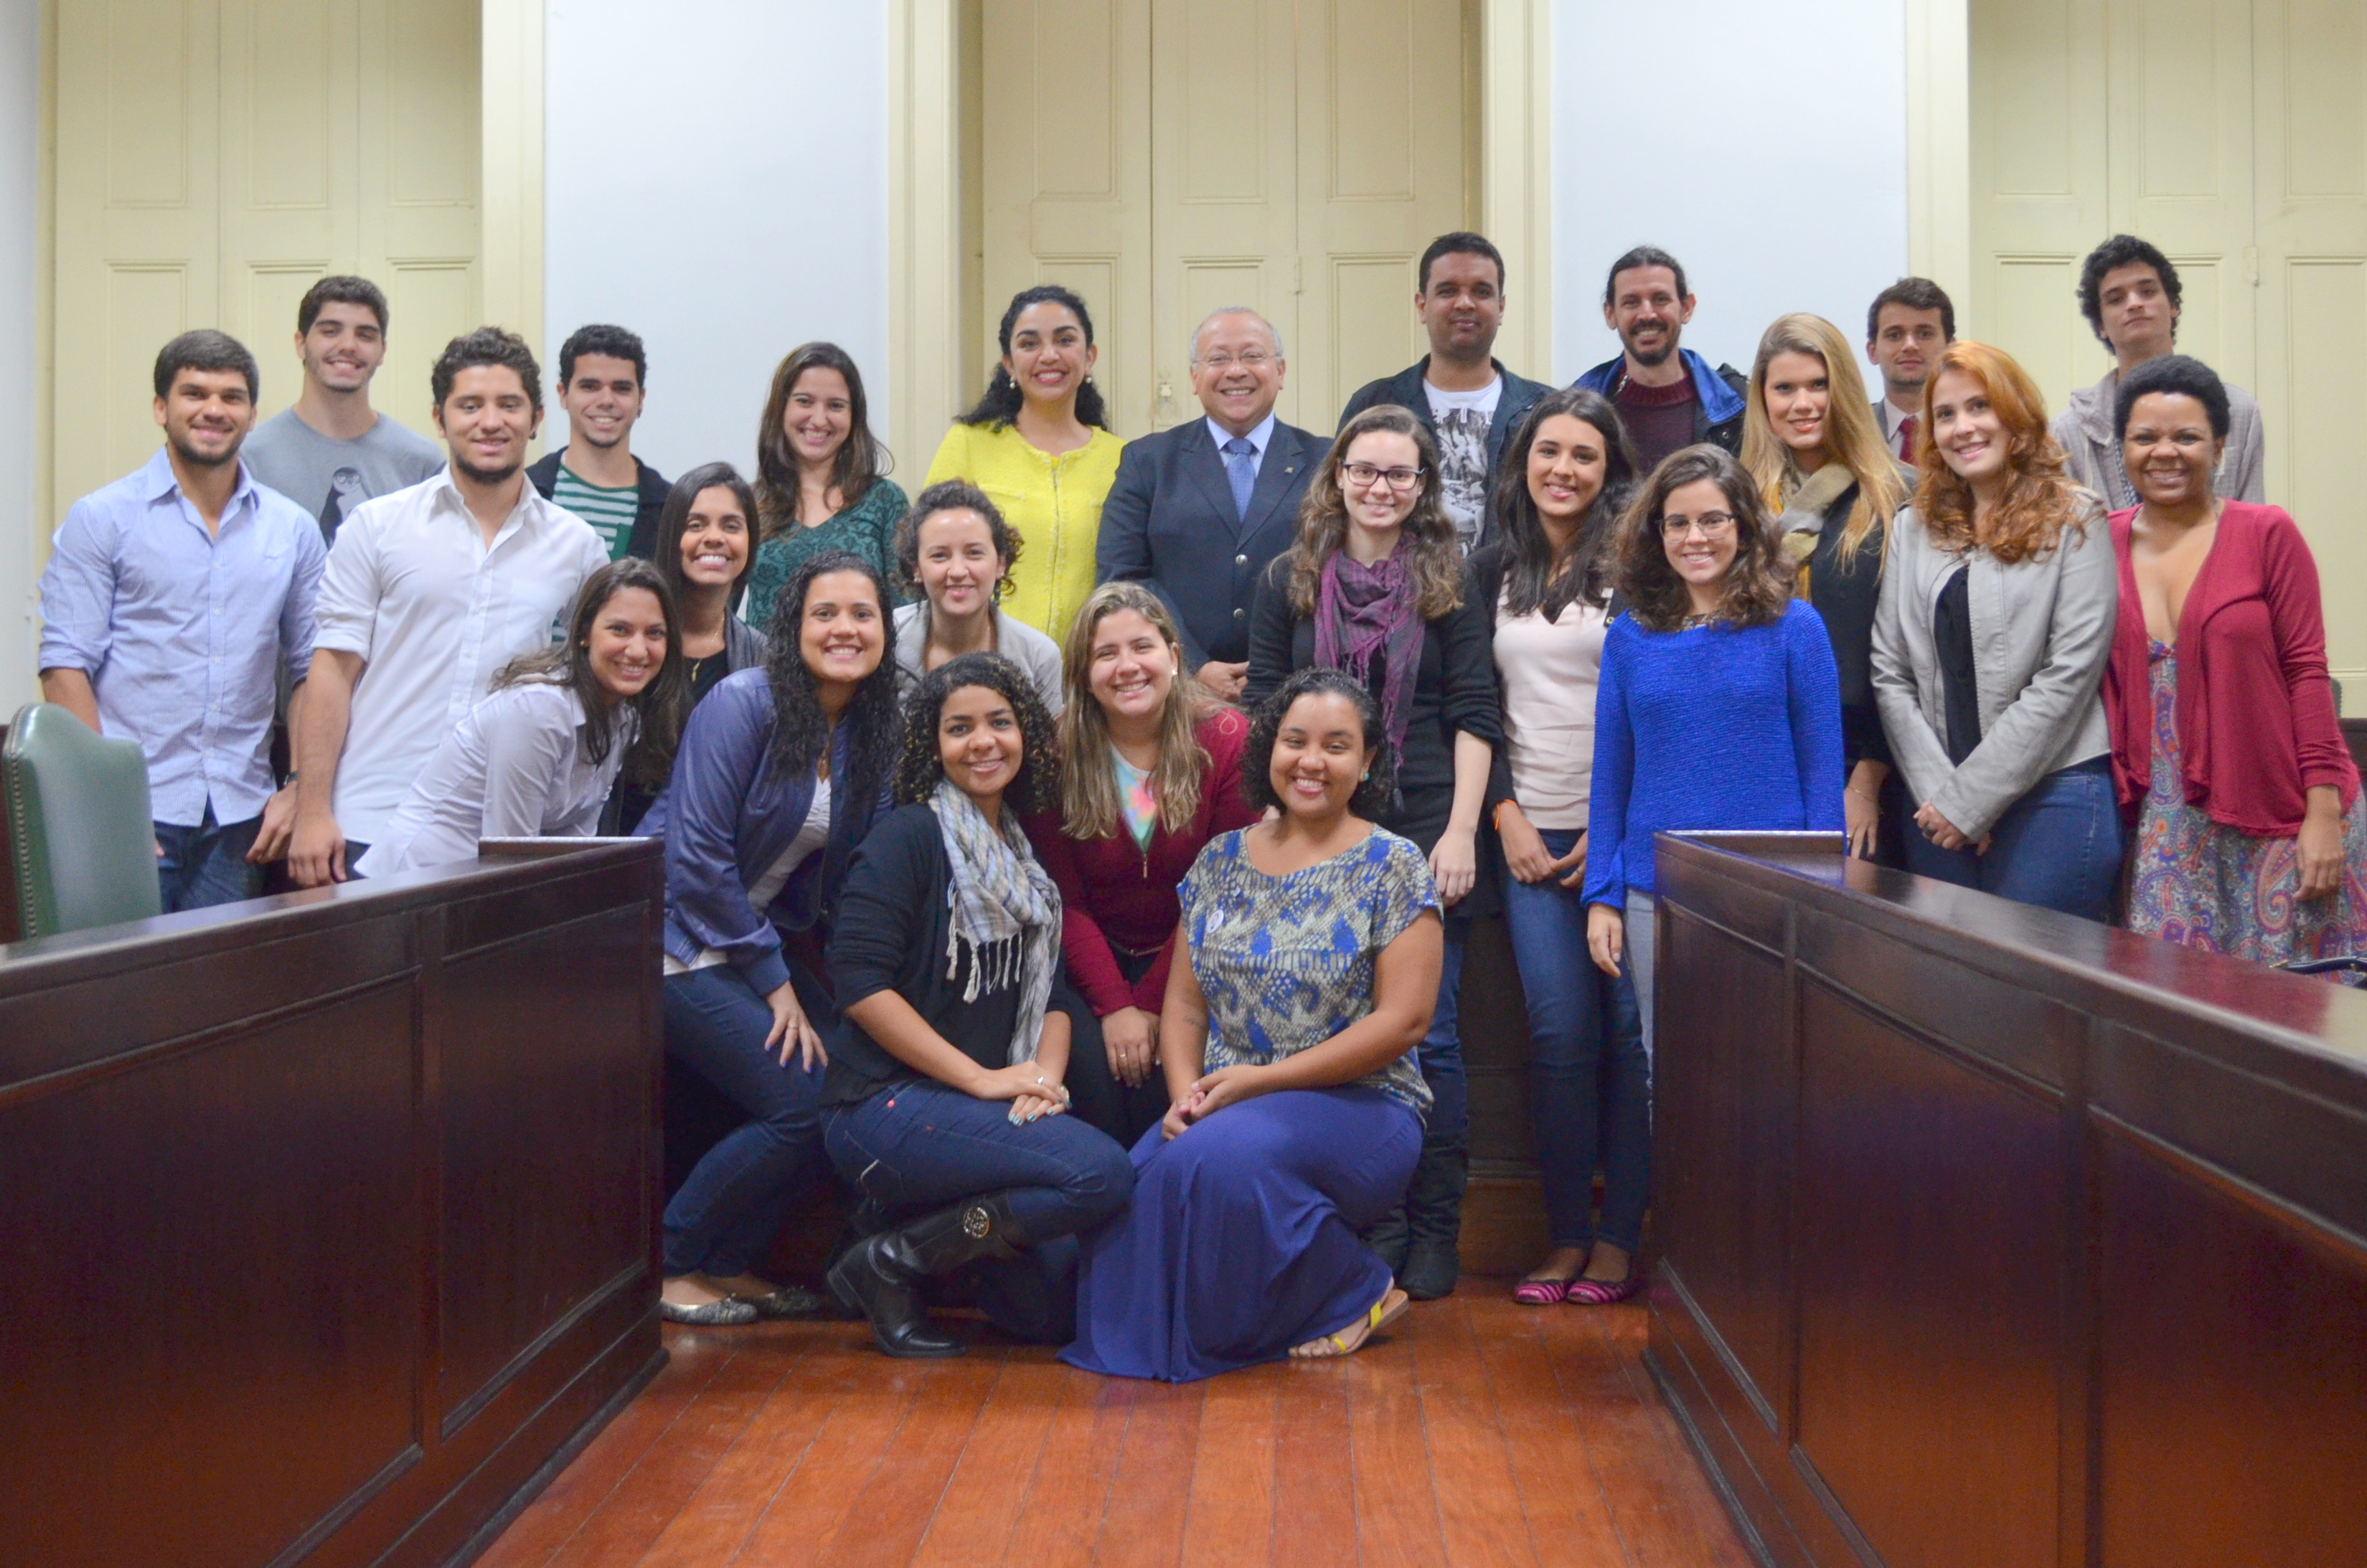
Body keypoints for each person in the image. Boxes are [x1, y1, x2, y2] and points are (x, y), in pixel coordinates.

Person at [1062, 669, 1441, 1381]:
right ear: (1269, 749)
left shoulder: (1394, 864)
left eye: (1336, 746)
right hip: (1228, 1102)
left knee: (1213, 1163)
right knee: (1131, 1186)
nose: (1310, 761)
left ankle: (1354, 1286)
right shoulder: (1220, 859)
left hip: (1364, 1105)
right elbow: (1183, 1005)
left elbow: (1404, 1021)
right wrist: (1186, 1095)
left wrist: (1256, 1084)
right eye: (1295, 741)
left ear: (1366, 763)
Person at [1243, 405, 1502, 1302]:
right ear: (1338, 476)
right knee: (1328, 1030)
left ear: (1422, 485)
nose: (1380, 487)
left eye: (1399, 473)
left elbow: (1473, 710)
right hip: (1313, 826)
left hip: (1423, 825)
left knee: (1429, 1034)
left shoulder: (1448, 578)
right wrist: (1276, 830)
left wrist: (1461, 829)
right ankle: (1365, 1221)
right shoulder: (1288, 576)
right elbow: (1268, 712)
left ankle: (1432, 1225)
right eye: (1364, 470)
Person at [821, 653, 1133, 1359]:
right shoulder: (907, 837)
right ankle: (894, 1259)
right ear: (932, 746)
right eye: (958, 728)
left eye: (999, 722)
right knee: (1101, 1173)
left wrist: (1041, 1079)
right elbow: (860, 986)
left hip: (977, 1110)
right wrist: (982, 1079)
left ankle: (912, 1235)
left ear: (1024, 735)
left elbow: (1052, 993)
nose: (982, 741)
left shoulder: (1019, 852)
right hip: (882, 1106)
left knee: (1049, 1312)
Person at [641, 550, 905, 1326]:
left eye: (862, 614)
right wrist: (774, 981)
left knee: (849, 1091)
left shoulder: (869, 730)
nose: (844, 629)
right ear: (791, 628)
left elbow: (860, 873)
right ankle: (670, 1261)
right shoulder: (742, 702)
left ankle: (729, 1262)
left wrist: (866, 987)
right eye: (825, 613)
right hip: (665, 935)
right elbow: (692, 860)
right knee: (801, 1098)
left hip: (751, 941)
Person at [283, 328, 608, 884]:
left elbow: (596, 680)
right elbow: (332, 670)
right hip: (371, 817)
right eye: (470, 405)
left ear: (535, 419)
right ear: (440, 419)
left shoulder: (576, 546)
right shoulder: (376, 526)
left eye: (509, 405)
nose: (490, 422)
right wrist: (312, 810)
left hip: (494, 826)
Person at [1466, 387, 1651, 1307]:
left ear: (1610, 471)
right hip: (1528, 839)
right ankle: (1566, 1233)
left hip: (1621, 833)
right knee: (1557, 1033)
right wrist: (1502, 812)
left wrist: (1611, 830)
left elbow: (1652, 711)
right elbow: (1474, 705)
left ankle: (1619, 1239)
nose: (1563, 469)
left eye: (1584, 455)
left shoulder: (1639, 568)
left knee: (1631, 1037)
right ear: (1523, 461)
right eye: (1548, 451)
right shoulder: (1489, 568)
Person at [36, 329, 326, 912]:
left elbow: (311, 668)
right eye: (194, 393)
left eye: (232, 397)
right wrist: (109, 807)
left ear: (251, 415)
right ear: (160, 408)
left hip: (242, 817)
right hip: (135, 810)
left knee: (223, 972)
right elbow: (64, 665)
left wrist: (300, 786)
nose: (214, 410)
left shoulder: (292, 529)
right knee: (122, 969)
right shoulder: (103, 518)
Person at [1584, 445, 1845, 1085]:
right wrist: (1602, 896)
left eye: (1712, 520)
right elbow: (1610, 779)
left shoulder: (1795, 627)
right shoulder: (1629, 636)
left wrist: (1824, 894)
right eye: (1677, 522)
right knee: (1671, 1077)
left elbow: (1821, 771)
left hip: (1772, 891)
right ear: (1656, 532)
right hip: (1654, 892)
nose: (1694, 537)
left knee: (1770, 1074)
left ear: (1744, 526)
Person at [2099, 354, 2366, 963]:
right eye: (2145, 437)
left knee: (2296, 1005)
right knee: (2176, 1001)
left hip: (2277, 811)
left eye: (2186, 437)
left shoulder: (2266, 533)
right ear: (2122, 449)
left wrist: (2321, 813)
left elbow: (2306, 673)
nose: (2164, 452)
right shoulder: (2096, 541)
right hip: (2163, 826)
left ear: (2219, 447)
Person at [1873, 342, 2121, 920]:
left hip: (2053, 797)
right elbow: (1889, 672)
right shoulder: (1911, 527)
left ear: (2014, 413)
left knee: (2025, 976)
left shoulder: (2076, 517)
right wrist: (1944, 798)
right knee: (1945, 976)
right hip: (1934, 805)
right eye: (1945, 414)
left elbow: (2068, 675)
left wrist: (1972, 801)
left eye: (1979, 406)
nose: (1962, 427)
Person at [1023, 582, 1260, 1146]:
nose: (1127, 667)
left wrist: (1152, 1005)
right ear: (1083, 674)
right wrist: (1115, 1007)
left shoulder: (1227, 739)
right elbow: (1063, 898)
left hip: (1197, 957)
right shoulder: (1054, 753)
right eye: (1105, 654)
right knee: (1094, 1084)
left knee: (1164, 1089)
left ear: (1174, 657)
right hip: (1089, 961)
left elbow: (1218, 893)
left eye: (1142, 647)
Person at [354, 559, 683, 875]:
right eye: (620, 630)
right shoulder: (539, 710)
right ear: (584, 632)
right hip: (413, 882)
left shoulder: (624, 718)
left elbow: (575, 843)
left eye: (655, 634)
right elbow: (511, 852)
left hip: (478, 887)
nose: (638, 650)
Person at [1741, 313, 1910, 863]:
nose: (1803, 403)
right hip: (1762, 755)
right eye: (1784, 388)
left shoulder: (1898, 495)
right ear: (1762, 398)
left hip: (1866, 766)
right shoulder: (1737, 503)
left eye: (1819, 385)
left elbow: (1912, 655)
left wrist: (1865, 781)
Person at [1095, 307, 1322, 700]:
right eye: (1218, 359)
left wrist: (1273, 670)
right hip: (1176, 697)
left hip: (1297, 691)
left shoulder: (1325, 461)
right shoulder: (1147, 462)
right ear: (1194, 377)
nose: (1236, 371)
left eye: (1252, 356)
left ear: (1281, 371)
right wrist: (1190, 665)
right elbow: (1122, 577)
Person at [924, 285, 1122, 640]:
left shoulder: (1123, 459)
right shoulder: (968, 444)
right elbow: (930, 552)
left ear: (1090, 356)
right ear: (1009, 364)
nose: (1049, 355)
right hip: (985, 656)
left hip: (1091, 663)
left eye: (1065, 340)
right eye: (1029, 344)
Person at [1336, 232, 1550, 554]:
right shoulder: (1375, 404)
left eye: (1481, 292)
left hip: (1512, 584)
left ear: (1501, 307)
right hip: (1395, 584)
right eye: (1448, 291)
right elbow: (1337, 509)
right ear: (1422, 306)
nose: (1465, 303)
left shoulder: (1543, 410)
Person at [2051, 235, 2266, 509]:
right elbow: (2070, 530)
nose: (2134, 304)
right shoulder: (2071, 430)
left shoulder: (2238, 410)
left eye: (2147, 291)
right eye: (2116, 299)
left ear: (2173, 306)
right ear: (2101, 325)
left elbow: (2253, 520)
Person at [243, 275, 445, 539]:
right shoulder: (249, 458)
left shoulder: (422, 463)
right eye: (330, 331)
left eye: (365, 335)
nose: (348, 346)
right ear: (301, 343)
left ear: (382, 351)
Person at [743, 342, 908, 629]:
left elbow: (906, 616)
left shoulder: (885, 501)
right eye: (805, 402)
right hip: (764, 659)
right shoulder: (748, 502)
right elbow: (716, 614)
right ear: (781, 408)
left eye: (835, 406)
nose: (819, 420)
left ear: (854, 416)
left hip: (858, 657)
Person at [891, 480, 1065, 716]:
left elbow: (1046, 740)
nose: (958, 571)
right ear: (916, 568)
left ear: (1001, 564)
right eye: (940, 556)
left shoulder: (1039, 656)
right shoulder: (884, 639)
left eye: (974, 553)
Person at [1575, 247, 1750, 474]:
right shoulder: (1578, 407)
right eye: (1631, 302)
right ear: (1610, 314)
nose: (1647, 314)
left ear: (1686, 308)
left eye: (1660, 299)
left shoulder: (1738, 406)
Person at [525, 323, 670, 562]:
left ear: (641, 399)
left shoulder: (670, 508)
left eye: (621, 389)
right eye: (590, 387)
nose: (606, 400)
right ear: (563, 395)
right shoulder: (523, 493)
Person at [1864, 277, 1956, 466]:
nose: (1910, 345)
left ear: (1950, 349)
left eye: (1924, 334)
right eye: (1894, 335)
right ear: (1873, 352)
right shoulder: (1850, 433)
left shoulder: (1971, 431)